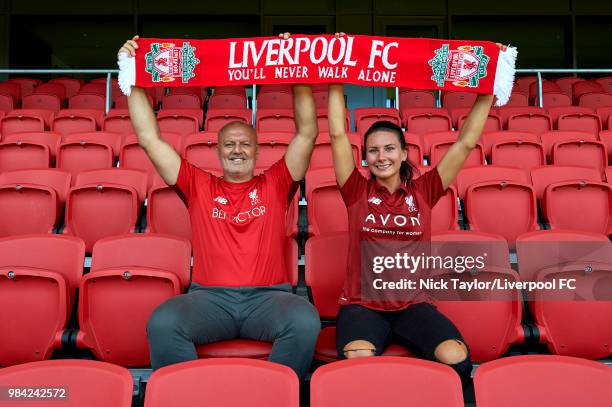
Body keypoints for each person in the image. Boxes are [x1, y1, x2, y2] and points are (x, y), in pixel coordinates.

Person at [117, 35, 320, 379]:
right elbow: (149, 138)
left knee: (304, 320)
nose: (237, 150)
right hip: (209, 300)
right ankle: (190, 395)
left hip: (268, 299)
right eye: (229, 144)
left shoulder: (276, 182)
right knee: (163, 322)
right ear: (218, 151)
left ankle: (272, 394)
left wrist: (295, 68)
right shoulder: (198, 184)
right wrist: (132, 74)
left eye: (244, 144)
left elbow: (307, 133)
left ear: (257, 152)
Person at [327, 38, 502, 386]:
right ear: (365, 157)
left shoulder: (425, 190)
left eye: (390, 148)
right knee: (357, 366)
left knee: (457, 360)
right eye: (373, 151)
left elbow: (466, 141)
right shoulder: (356, 191)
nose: (381, 157)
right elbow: (335, 134)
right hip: (362, 307)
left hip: (414, 305)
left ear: (404, 152)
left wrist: (488, 91)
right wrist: (335, 72)